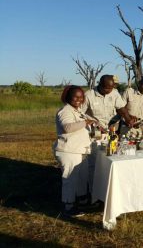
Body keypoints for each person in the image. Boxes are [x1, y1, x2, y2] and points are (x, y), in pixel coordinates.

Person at [80, 75, 135, 192]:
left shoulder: (114, 93)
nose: (109, 91)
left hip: (110, 132)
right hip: (94, 133)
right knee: (94, 162)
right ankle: (92, 191)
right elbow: (80, 114)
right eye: (107, 88)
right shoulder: (89, 95)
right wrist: (90, 123)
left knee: (110, 159)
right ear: (100, 85)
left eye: (111, 88)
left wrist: (128, 118)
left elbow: (121, 108)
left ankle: (106, 189)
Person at [53, 85, 97, 217]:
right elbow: (67, 127)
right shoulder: (65, 111)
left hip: (80, 150)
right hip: (69, 151)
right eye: (75, 97)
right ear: (68, 97)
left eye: (81, 97)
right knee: (70, 179)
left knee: (82, 178)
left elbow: (90, 122)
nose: (79, 99)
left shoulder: (78, 111)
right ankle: (68, 206)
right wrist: (86, 122)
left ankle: (81, 200)